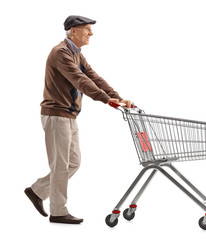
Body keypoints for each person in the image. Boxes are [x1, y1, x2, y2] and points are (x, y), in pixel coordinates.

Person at [25, 15, 131, 224]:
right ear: (73, 31)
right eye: (87, 29)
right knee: (61, 165)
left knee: (73, 162)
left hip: (69, 115)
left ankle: (37, 191)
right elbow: (79, 79)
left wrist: (117, 97)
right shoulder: (61, 53)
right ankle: (58, 211)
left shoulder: (76, 54)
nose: (91, 33)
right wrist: (105, 100)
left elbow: (93, 77)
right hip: (56, 115)